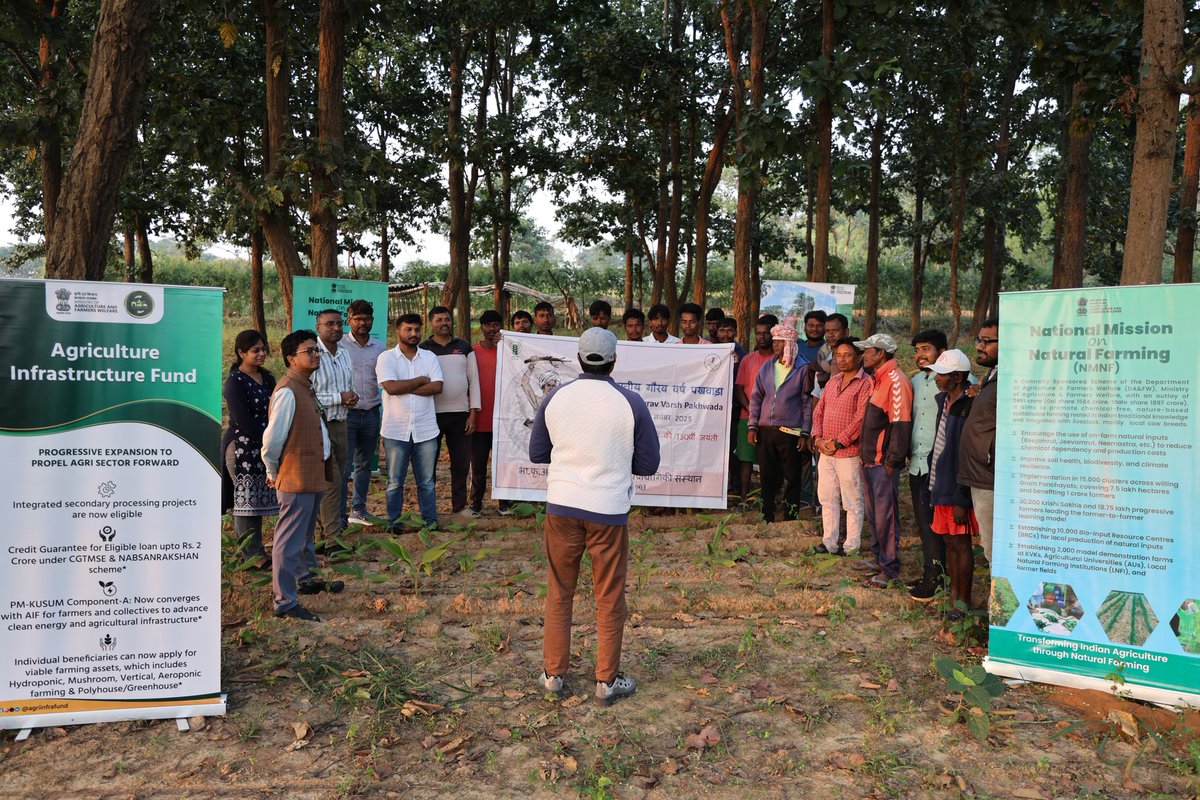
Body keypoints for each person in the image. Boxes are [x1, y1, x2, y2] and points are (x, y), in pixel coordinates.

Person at [529, 327, 660, 705]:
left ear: (579, 357)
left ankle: (553, 674)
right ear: (614, 359)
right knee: (608, 595)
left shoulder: (556, 397)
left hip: (563, 506)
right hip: (608, 511)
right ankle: (606, 680)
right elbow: (648, 464)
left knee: (559, 591)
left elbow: (538, 453)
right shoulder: (631, 402)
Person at [261, 329, 343, 622]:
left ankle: (306, 578)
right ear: (290, 359)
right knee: (289, 537)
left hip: (312, 471)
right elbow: (271, 441)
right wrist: (273, 470)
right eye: (309, 351)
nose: (315, 355)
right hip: (295, 474)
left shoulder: (305, 386)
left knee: (305, 533)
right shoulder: (287, 391)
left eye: (316, 350)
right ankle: (283, 600)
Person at [853, 334, 913, 588]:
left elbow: (900, 425)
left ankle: (889, 568)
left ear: (881, 353)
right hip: (870, 461)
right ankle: (879, 559)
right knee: (875, 515)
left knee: (886, 516)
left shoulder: (896, 381)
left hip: (882, 463)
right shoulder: (878, 379)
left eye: (868, 351)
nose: (863, 355)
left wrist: (892, 461)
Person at [377, 313, 444, 531]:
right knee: (395, 482)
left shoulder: (429, 357)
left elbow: (437, 387)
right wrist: (420, 380)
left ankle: (429, 521)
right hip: (396, 431)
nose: (413, 333)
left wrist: (404, 386)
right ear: (398, 331)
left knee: (426, 482)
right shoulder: (386, 358)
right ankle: (393, 522)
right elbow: (391, 388)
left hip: (426, 430)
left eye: (416, 329)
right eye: (408, 329)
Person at [222, 330, 279, 567]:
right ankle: (251, 556)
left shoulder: (267, 378)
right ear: (241, 352)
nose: (261, 354)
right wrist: (267, 438)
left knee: (257, 500)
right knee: (245, 502)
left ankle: (259, 550)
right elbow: (241, 418)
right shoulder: (235, 381)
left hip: (264, 446)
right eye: (255, 350)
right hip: (242, 447)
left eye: (263, 349)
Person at [810, 338, 871, 556]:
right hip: (825, 450)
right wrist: (818, 438)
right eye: (838, 355)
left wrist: (838, 442)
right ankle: (829, 543)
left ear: (859, 357)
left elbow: (860, 419)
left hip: (848, 453)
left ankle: (851, 545)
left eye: (847, 355)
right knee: (827, 498)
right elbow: (819, 412)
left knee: (852, 500)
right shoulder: (833, 382)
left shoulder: (865, 384)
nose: (842, 359)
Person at [747, 319, 813, 522]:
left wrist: (805, 432)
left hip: (791, 431)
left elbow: (807, 402)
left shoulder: (803, 369)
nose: (774, 344)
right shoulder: (767, 367)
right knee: (767, 474)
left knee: (792, 476)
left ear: (790, 343)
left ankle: (790, 514)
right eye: (774, 341)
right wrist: (753, 425)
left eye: (779, 341)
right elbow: (757, 397)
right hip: (767, 430)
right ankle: (767, 512)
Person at [926, 349, 977, 613]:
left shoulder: (969, 406)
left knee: (961, 545)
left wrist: (962, 497)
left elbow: (966, 454)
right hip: (940, 484)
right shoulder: (944, 401)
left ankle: (963, 602)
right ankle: (954, 599)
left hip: (956, 489)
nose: (936, 378)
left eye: (942, 374)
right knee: (948, 542)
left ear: (958, 377)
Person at [421, 306, 481, 519]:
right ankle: (428, 508)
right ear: (431, 323)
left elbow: (474, 381)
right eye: (439, 320)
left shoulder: (464, 347)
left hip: (460, 415)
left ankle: (459, 506)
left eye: (447, 319)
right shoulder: (423, 349)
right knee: (429, 464)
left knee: (461, 464)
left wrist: (473, 412)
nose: (444, 323)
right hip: (430, 415)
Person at [907, 329, 948, 601]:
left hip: (942, 463)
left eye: (926, 349)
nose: (920, 355)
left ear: (942, 352)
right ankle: (931, 572)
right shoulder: (914, 381)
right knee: (924, 522)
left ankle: (938, 577)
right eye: (917, 350)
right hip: (917, 462)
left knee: (942, 523)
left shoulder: (956, 381)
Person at [310, 309, 356, 549]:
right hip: (319, 425)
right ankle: (333, 540)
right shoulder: (312, 355)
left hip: (341, 423)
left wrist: (350, 397)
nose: (336, 328)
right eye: (330, 324)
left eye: (339, 324)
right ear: (318, 327)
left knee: (337, 481)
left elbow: (348, 386)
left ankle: (321, 535)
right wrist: (340, 397)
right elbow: (310, 396)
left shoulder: (345, 354)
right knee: (331, 482)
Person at [342, 299, 386, 528]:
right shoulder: (339, 345)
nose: (362, 323)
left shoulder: (380, 347)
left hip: (370, 413)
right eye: (358, 319)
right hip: (346, 415)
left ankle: (358, 509)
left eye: (367, 319)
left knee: (364, 465)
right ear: (349, 320)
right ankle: (339, 515)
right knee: (343, 465)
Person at [959, 318, 999, 566]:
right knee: (989, 547)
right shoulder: (992, 376)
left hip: (991, 477)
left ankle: (1002, 604)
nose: (979, 346)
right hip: (981, 474)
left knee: (996, 551)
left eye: (987, 341)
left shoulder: (1013, 378)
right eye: (979, 340)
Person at [470, 310, 510, 515]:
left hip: (503, 420)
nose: (492, 329)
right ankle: (476, 504)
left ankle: (504, 504)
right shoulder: (472, 352)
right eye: (488, 325)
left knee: (502, 465)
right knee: (478, 466)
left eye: (496, 324)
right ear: (481, 327)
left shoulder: (509, 352)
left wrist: (506, 346)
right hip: (480, 418)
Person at [732, 316, 775, 504]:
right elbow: (739, 388)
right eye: (758, 333)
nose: (762, 337)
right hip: (746, 416)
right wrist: (752, 409)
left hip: (773, 418)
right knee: (745, 458)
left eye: (766, 333)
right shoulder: (747, 359)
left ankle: (769, 496)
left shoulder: (780, 360)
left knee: (769, 459)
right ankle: (744, 496)